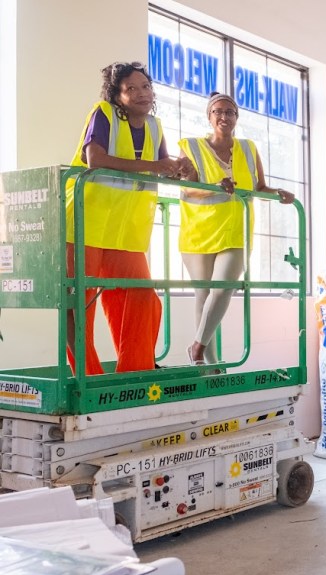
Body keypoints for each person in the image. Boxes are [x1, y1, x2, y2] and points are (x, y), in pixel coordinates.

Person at [65, 61, 188, 375]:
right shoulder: (104, 114)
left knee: (144, 300)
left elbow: (163, 167)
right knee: (78, 308)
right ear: (117, 95)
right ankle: (87, 378)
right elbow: (95, 159)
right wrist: (158, 167)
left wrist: (180, 168)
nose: (141, 93)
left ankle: (134, 374)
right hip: (83, 223)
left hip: (126, 231)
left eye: (145, 86)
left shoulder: (156, 126)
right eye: (130, 88)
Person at [178, 92, 294, 365]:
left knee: (224, 287)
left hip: (235, 231)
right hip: (198, 233)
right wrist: (212, 189)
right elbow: (186, 190)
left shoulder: (248, 148)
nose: (224, 117)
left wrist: (279, 192)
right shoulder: (192, 146)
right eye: (218, 111)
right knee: (204, 295)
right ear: (209, 116)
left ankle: (196, 347)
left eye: (230, 112)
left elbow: (259, 187)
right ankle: (210, 366)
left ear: (237, 118)